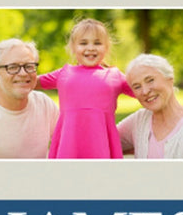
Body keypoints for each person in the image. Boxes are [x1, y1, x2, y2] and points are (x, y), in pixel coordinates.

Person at [33, 19, 134, 159]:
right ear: (73, 47)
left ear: (106, 47)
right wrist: (2, 83)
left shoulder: (115, 76)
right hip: (69, 144)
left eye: (97, 43)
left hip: (100, 144)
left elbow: (142, 90)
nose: (91, 48)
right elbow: (30, 82)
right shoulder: (64, 73)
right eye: (83, 43)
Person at [0, 38, 59, 159]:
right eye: (12, 67)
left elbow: (68, 147)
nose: (23, 73)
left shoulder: (45, 105)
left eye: (29, 66)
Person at [116, 54, 183, 160]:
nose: (145, 91)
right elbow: (103, 142)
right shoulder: (139, 120)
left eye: (150, 80)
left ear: (170, 79)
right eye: (137, 87)